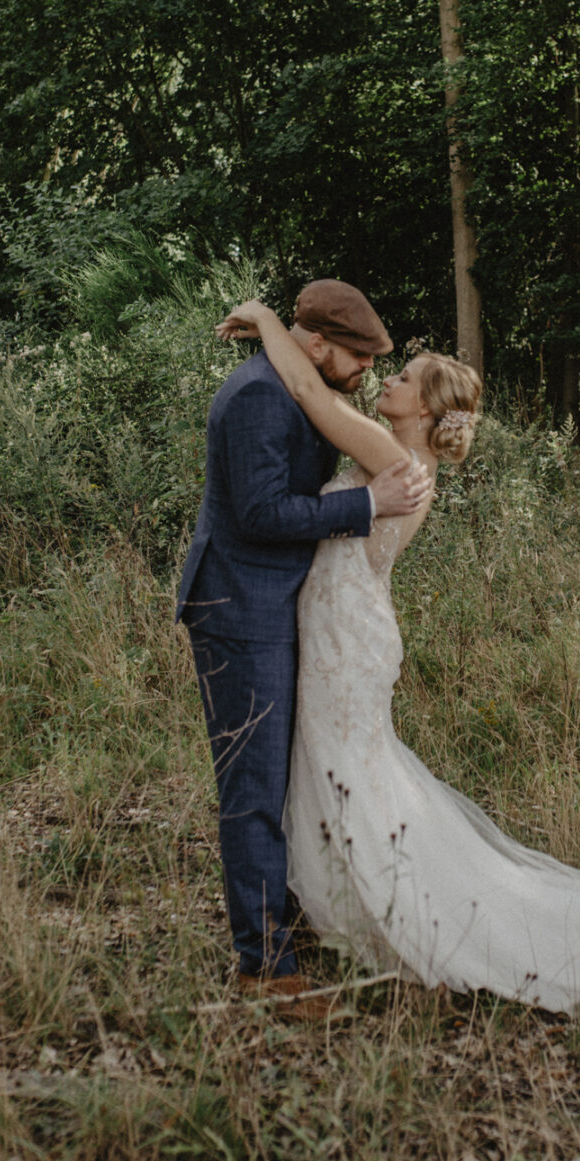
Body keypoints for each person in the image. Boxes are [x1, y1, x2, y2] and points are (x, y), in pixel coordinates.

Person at [215, 298, 580, 1015]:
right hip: (345, 633)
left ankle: (412, 920)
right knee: (345, 772)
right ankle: (335, 911)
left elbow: (308, 391)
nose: (386, 380)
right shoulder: (397, 453)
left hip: (347, 641)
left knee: (350, 775)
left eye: (403, 378)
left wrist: (264, 318)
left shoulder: (394, 455)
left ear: (426, 411)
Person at [177, 280, 430, 1012]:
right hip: (238, 604)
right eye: (356, 357)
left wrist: (263, 319)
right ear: (315, 345)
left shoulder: (291, 377)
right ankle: (264, 967)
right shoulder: (259, 395)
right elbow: (258, 513)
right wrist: (366, 504)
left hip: (274, 603)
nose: (364, 372)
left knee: (281, 778)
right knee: (252, 787)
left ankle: (288, 921)